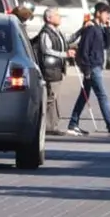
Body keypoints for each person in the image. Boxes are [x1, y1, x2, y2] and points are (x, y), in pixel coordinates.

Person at [66, 3, 110, 137]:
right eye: (106, 13)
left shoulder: (99, 28)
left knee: (84, 96)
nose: (108, 16)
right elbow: (84, 50)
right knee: (102, 96)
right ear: (99, 13)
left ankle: (73, 124)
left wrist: (107, 27)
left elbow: (106, 44)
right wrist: (87, 70)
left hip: (96, 66)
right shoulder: (91, 29)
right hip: (92, 67)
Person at [36, 8, 74, 136]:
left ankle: (52, 125)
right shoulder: (46, 33)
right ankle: (46, 125)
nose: (59, 17)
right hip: (49, 69)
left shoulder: (57, 32)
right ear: (49, 18)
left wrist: (82, 31)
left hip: (57, 69)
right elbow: (47, 50)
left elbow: (67, 41)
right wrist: (64, 54)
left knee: (55, 98)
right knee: (51, 98)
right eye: (56, 15)